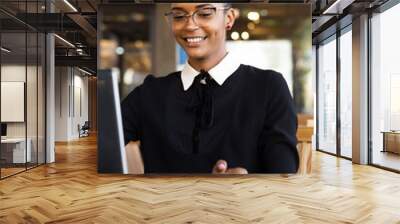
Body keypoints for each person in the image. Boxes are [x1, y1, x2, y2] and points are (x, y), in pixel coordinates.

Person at [121, 3, 299, 174]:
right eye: (179, 16)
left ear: (228, 18)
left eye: (205, 13)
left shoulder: (268, 87)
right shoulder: (150, 93)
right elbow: (105, 144)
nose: (190, 25)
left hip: (241, 205)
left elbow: (283, 178)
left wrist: (246, 186)